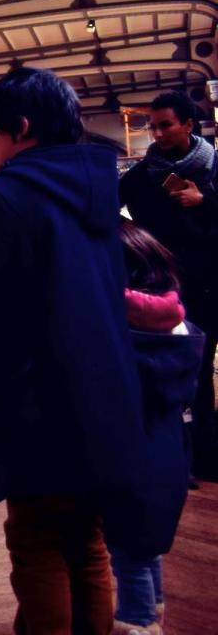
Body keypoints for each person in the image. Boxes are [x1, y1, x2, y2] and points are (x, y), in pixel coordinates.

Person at [0, 67, 147, 635]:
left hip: (40, 405)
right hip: (105, 399)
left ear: (22, 128)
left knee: (37, 547)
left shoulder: (4, 199)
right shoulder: (93, 190)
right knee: (87, 544)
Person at [104, 221, 203, 635]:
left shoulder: (127, 343)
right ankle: (153, 613)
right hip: (169, 458)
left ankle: (139, 622)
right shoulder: (177, 330)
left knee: (129, 554)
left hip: (132, 462)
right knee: (146, 549)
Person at [119, 90, 218, 482]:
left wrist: (206, 200)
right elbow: (105, 204)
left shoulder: (214, 169)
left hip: (215, 283)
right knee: (186, 377)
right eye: (152, 126)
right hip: (176, 290)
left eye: (166, 125)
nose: (156, 134)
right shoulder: (142, 179)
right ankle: (191, 460)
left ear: (189, 125)